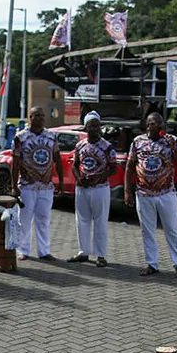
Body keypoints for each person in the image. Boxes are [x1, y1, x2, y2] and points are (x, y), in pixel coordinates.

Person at [126, 112, 177, 277]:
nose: (157, 127)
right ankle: (152, 264)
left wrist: (174, 148)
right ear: (148, 125)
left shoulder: (171, 141)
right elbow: (130, 166)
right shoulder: (138, 142)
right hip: (144, 194)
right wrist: (127, 190)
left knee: (172, 229)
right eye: (153, 124)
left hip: (166, 193)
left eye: (160, 124)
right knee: (147, 230)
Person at [11, 106, 64, 261]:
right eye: (37, 115)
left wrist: (60, 181)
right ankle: (23, 250)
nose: (41, 118)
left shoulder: (51, 136)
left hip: (46, 186)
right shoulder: (20, 137)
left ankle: (44, 251)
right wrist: (14, 187)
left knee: (43, 219)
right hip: (27, 185)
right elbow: (15, 164)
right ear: (30, 117)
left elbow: (57, 158)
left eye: (42, 115)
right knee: (25, 219)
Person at [68, 111, 116, 267]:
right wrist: (78, 177)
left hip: (99, 188)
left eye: (96, 125)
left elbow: (113, 168)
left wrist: (100, 177)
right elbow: (75, 165)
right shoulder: (80, 145)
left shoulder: (107, 147)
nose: (94, 128)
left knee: (100, 221)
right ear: (85, 128)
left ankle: (100, 255)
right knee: (81, 220)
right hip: (82, 188)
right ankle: (84, 252)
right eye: (91, 126)